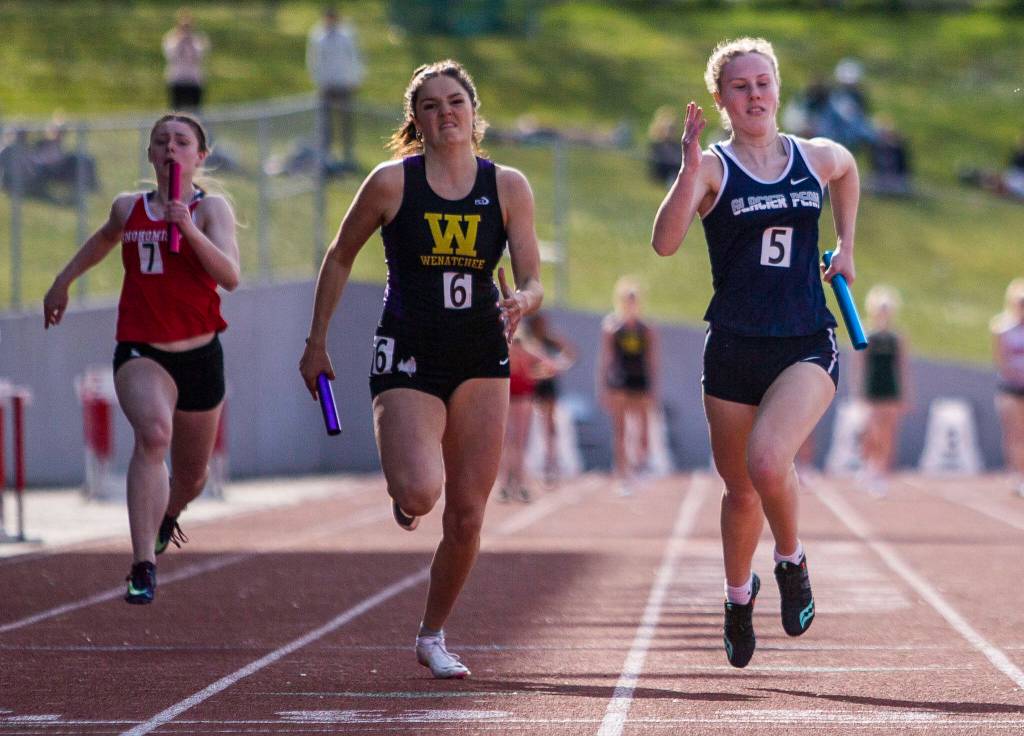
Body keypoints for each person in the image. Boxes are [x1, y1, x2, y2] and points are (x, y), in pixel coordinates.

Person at [298, 60, 543, 679]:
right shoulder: (390, 184)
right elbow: (339, 255)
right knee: (418, 492)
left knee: (465, 515)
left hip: (480, 357)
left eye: (455, 100)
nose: (445, 112)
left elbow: (534, 277)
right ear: (417, 120)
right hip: (408, 352)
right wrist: (316, 342)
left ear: (473, 110)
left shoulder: (508, 186)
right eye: (430, 105)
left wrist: (523, 299)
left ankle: (432, 634)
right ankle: (405, 490)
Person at [651, 37, 860, 669]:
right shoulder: (713, 167)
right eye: (740, 87)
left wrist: (846, 244)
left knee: (770, 463)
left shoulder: (813, 156)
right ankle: (738, 598)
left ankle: (791, 559)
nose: (755, 95)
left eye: (763, 82)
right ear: (721, 100)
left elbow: (849, 168)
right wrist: (687, 171)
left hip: (804, 339)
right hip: (735, 348)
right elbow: (664, 243)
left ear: (778, 86)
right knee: (740, 489)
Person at [43, 113, 240, 604]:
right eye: (161, 142)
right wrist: (62, 281)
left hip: (200, 353)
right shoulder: (128, 207)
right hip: (141, 350)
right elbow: (103, 239)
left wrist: (187, 229)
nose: (171, 149)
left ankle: (168, 516)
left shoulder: (210, 208)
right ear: (151, 155)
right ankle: (142, 565)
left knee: (192, 476)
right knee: (153, 434)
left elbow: (230, 275)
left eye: (181, 141)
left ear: (200, 156)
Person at [597, 276, 659, 497]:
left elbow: (652, 360)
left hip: (640, 380)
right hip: (620, 382)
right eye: (627, 299)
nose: (630, 304)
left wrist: (654, 390)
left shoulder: (646, 328)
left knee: (643, 430)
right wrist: (603, 387)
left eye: (634, 300)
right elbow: (606, 359)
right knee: (621, 430)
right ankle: (623, 475)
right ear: (621, 301)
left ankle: (639, 467)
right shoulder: (612, 327)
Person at [856, 285, 911, 497]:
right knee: (871, 431)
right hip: (872, 388)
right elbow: (860, 365)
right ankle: (868, 465)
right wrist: (859, 392)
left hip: (890, 389)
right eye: (880, 308)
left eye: (887, 308)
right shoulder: (866, 333)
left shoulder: (898, 337)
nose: (884, 312)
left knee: (888, 433)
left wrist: (905, 394)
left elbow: (902, 367)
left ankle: (880, 472)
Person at [497, 331, 561, 503]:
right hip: (518, 398)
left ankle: (511, 484)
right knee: (515, 443)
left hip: (516, 398)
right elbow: (551, 366)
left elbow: (551, 367)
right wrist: (534, 374)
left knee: (512, 443)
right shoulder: (524, 351)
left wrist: (533, 374)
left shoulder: (511, 351)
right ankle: (515, 484)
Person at [307, 5, 366, 171]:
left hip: (343, 84)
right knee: (326, 125)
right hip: (327, 85)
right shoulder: (318, 36)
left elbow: (355, 57)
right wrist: (319, 81)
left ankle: (348, 156)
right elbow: (314, 61)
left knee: (345, 122)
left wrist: (355, 78)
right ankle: (326, 157)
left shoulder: (346, 35)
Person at [527, 312, 576, 486]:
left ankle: (551, 463)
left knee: (549, 425)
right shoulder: (528, 341)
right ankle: (529, 464)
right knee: (527, 425)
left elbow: (570, 353)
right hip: (531, 387)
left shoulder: (550, 339)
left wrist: (558, 365)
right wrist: (535, 374)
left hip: (547, 387)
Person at [991, 278, 1024, 497]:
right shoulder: (1002, 327)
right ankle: (1017, 474)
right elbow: (1001, 360)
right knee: (1015, 433)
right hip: (1010, 386)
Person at [162, 10, 210, 111]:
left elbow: (199, 57)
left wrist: (190, 43)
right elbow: (171, 56)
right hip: (177, 79)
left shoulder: (197, 39)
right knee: (176, 111)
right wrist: (180, 42)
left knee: (195, 111)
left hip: (193, 80)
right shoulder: (171, 38)